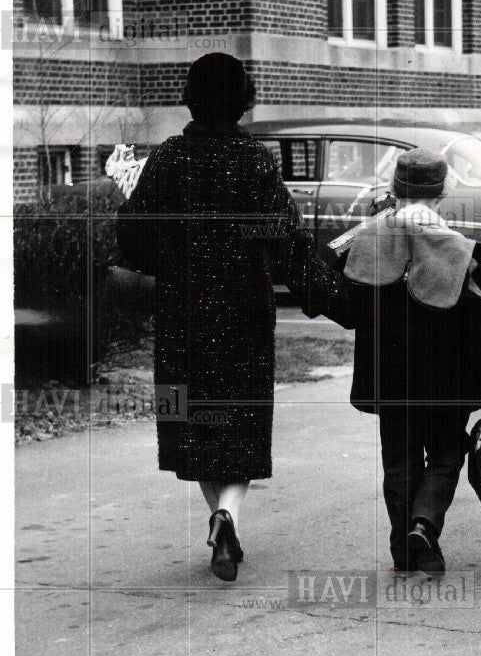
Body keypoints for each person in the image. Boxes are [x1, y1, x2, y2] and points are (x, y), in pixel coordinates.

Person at [115, 53, 347, 582]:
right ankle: (228, 517)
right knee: (241, 427)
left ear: (190, 96)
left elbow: (136, 246)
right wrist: (334, 298)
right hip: (243, 314)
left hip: (183, 315)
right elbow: (288, 243)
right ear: (243, 100)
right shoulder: (257, 161)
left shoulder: (168, 160)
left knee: (194, 426)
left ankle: (217, 519)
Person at [342, 148, 481, 572]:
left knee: (399, 459)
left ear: (395, 191)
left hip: (389, 374)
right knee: (445, 452)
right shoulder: (458, 250)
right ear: (440, 197)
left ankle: (404, 547)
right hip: (447, 376)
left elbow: (344, 306)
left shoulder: (367, 242)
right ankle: (424, 525)